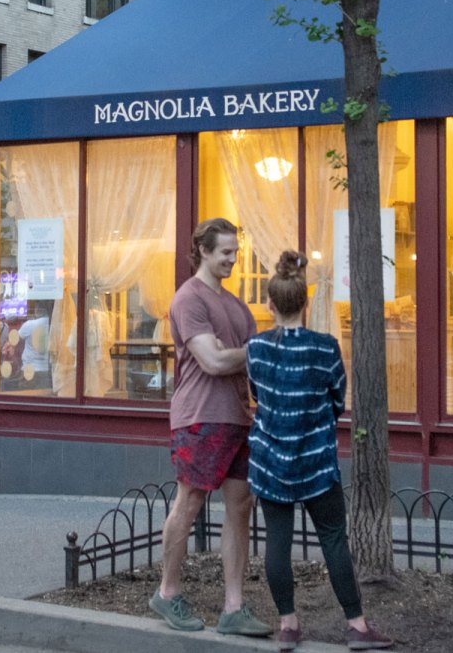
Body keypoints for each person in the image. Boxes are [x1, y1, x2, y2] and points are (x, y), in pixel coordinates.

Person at [246, 251, 393, 651]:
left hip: (271, 462)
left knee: (277, 541)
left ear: (270, 304)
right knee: (333, 540)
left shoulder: (256, 349)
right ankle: (357, 625)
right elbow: (337, 399)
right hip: (316, 462)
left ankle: (288, 625)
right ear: (306, 301)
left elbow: (258, 396)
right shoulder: (326, 348)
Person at [149, 218, 272, 638]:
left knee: (240, 508)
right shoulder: (188, 300)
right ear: (202, 250)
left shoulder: (237, 307)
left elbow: (240, 361)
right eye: (226, 253)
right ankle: (167, 593)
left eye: (236, 253)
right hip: (199, 417)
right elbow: (213, 362)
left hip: (239, 417)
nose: (233, 260)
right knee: (189, 504)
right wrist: (250, 350)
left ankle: (233, 608)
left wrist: (240, 352)